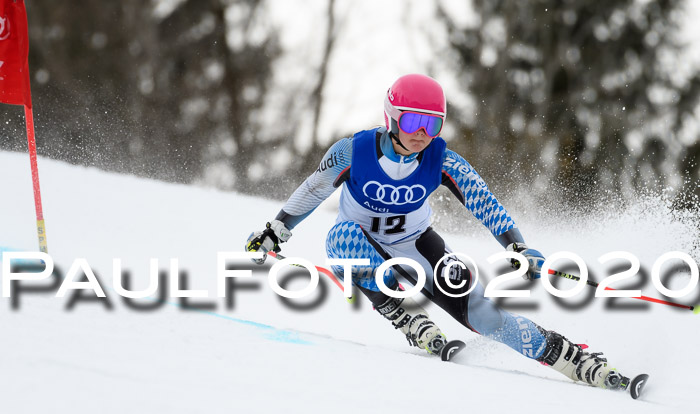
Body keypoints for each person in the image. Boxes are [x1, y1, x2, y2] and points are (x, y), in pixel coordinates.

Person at [246, 74, 626, 390]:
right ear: (392, 118)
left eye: (433, 124)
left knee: (484, 315)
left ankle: (572, 359)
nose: (422, 133)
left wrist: (519, 247)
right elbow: (313, 189)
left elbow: (484, 202)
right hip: (361, 245)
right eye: (413, 122)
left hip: (418, 248)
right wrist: (277, 229)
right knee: (340, 237)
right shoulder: (354, 151)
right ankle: (406, 315)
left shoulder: (441, 159)